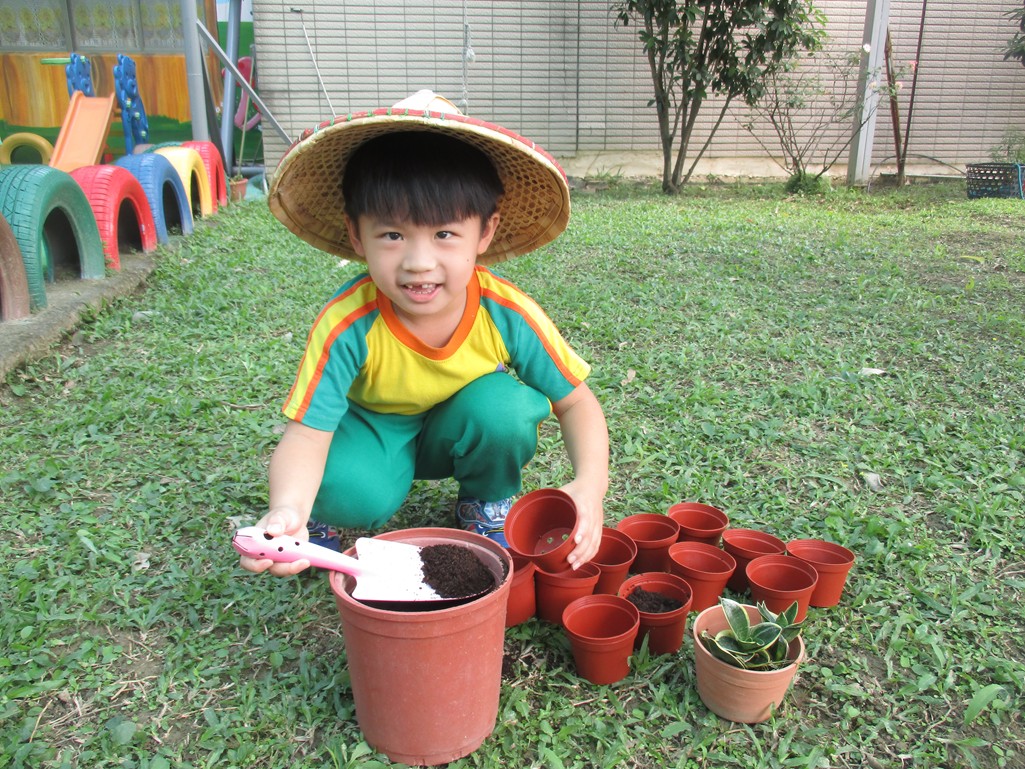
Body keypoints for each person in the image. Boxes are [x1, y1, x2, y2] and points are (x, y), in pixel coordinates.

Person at [240, 91, 608, 577]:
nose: (418, 262)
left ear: (485, 232)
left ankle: (484, 501)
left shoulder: (506, 312)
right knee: (351, 491)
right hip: (373, 430)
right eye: (392, 235)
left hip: (458, 424)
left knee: (506, 409)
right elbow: (307, 434)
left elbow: (576, 402)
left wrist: (590, 485)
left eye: (444, 234)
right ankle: (318, 513)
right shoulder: (347, 323)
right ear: (356, 235)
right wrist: (289, 507)